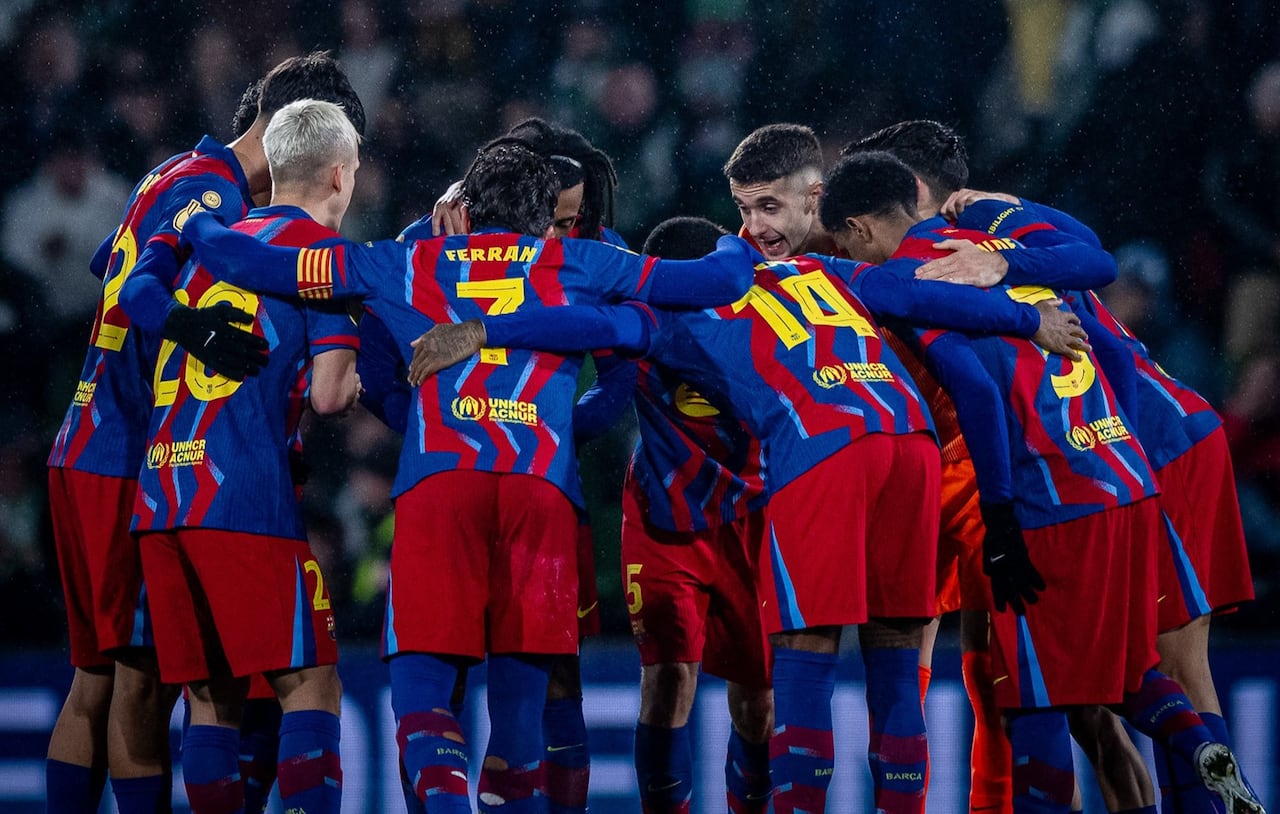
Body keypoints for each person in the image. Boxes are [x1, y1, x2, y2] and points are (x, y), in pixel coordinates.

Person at [405, 216, 1087, 814]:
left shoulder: (666, 313)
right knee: (895, 658)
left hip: (817, 449)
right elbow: (917, 296)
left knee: (804, 663)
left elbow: (588, 324)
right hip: (910, 441)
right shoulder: (822, 269)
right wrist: (1032, 320)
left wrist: (483, 328)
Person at [180, 141, 757, 814]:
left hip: (442, 484)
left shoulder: (401, 262)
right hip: (540, 487)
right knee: (519, 732)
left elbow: (245, 260)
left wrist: (196, 221)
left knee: (424, 702)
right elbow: (718, 284)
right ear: (547, 220)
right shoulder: (582, 259)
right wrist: (736, 242)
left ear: (466, 210)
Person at [821, 149, 1263, 814]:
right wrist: (1020, 282)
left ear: (856, 229)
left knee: (1035, 698)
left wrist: (999, 516)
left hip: (1055, 493)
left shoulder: (905, 277)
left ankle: (1191, 753)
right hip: (1130, 469)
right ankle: (1201, 747)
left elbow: (974, 387)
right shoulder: (997, 236)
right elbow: (1097, 262)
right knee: (1129, 672)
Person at [41, 49, 361, 814]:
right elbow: (133, 291)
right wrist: (194, 329)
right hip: (122, 451)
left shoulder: (173, 173)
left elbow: (112, 274)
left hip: (92, 436)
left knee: (102, 678)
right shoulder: (211, 190)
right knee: (137, 679)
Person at [722, 123, 841, 260]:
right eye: (744, 208)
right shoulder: (750, 246)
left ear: (813, 197)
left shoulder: (858, 242)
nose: (755, 230)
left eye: (769, 208)